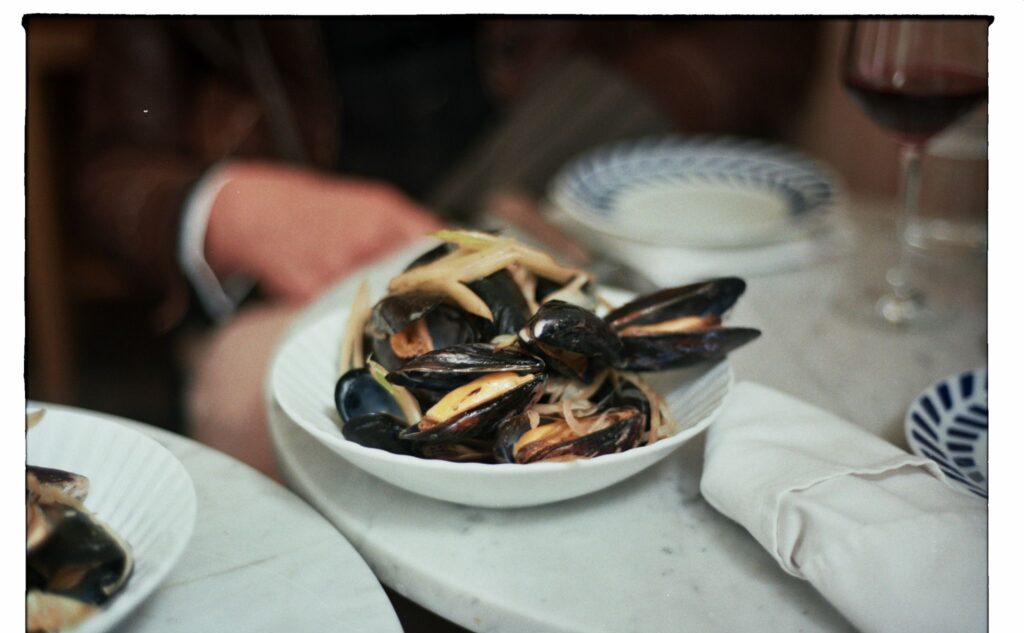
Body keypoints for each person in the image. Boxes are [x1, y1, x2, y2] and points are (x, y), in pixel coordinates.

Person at [75, 17, 820, 479]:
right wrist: (231, 206)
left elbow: (769, 38)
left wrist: (602, 101)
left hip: (557, 204)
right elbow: (113, 164)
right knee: (249, 399)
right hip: (313, 251)